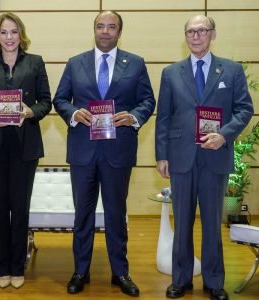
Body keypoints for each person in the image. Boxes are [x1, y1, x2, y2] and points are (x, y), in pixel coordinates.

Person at [53, 10, 155, 296]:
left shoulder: (135, 63)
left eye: (112, 27)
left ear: (120, 32)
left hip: (117, 151)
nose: (106, 31)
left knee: (116, 214)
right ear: (94, 30)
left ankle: (120, 273)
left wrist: (133, 117)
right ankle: (80, 271)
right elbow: (60, 98)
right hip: (83, 151)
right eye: (101, 26)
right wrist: (74, 113)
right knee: (82, 216)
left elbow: (148, 100)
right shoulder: (76, 63)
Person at [155, 15, 254, 300]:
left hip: (215, 156)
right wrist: (162, 154)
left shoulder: (231, 71)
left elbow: (244, 110)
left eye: (201, 31)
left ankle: (213, 282)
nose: (195, 36)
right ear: (185, 36)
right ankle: (181, 279)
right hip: (181, 157)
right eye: (190, 31)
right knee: (182, 221)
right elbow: (164, 117)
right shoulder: (171, 73)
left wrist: (225, 134)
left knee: (212, 223)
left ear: (212, 34)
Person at [0, 12, 52, 289]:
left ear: (21, 35)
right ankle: (2, 266)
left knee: (20, 209)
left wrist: (30, 111)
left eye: (14, 32)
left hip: (24, 145)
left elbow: (46, 101)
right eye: (4, 32)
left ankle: (18, 267)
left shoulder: (35, 63)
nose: (9, 37)